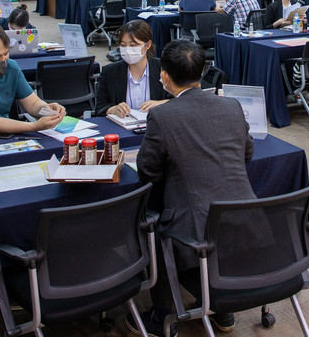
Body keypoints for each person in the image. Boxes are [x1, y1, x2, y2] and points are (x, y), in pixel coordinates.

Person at [132, 39, 254, 336]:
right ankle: (222, 310)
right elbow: (246, 152)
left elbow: (147, 171)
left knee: (154, 224)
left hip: (194, 225)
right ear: (202, 71)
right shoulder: (231, 105)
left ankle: (161, 314)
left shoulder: (162, 115)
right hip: (244, 217)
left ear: (164, 75)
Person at [95, 20, 170, 117]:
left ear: (148, 44)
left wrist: (162, 104)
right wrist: (113, 109)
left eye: (133, 45)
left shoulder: (164, 68)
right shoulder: (110, 72)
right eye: (123, 45)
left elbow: (183, 99)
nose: (127, 49)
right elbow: (100, 108)